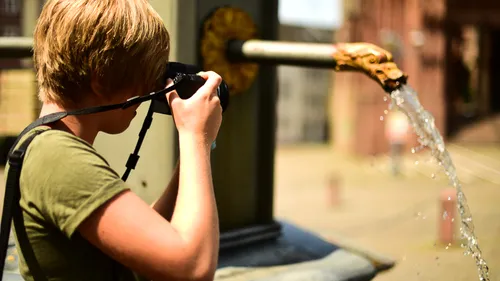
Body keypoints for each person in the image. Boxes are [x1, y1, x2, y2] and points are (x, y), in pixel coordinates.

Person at [5, 0, 223, 280]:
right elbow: (192, 267)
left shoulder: (49, 144)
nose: (148, 92)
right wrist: (195, 138)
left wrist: (196, 148)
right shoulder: (59, 157)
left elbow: (149, 241)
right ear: (102, 79)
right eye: (144, 78)